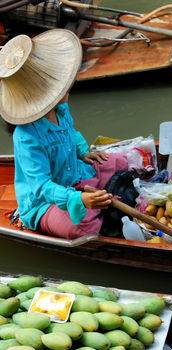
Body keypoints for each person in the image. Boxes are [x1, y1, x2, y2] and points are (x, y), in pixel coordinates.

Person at [0, 29, 128, 239]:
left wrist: (83, 152)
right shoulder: (26, 136)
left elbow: (71, 131)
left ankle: (96, 202)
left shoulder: (60, 109)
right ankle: (97, 211)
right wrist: (78, 199)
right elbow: (41, 187)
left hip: (75, 174)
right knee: (82, 228)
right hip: (45, 202)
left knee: (122, 162)